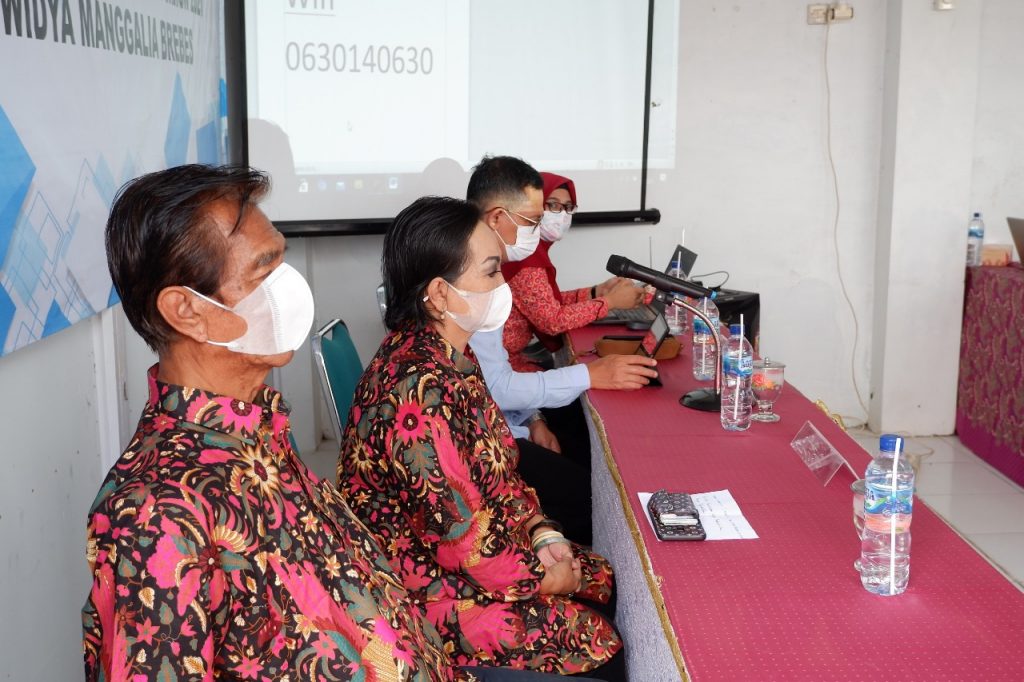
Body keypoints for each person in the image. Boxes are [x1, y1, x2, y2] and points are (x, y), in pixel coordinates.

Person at [84, 164, 583, 682]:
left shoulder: (257, 433)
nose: (287, 289)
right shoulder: (155, 512)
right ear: (187, 310)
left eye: (282, 262)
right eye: (264, 271)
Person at [337, 196, 626, 680]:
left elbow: (500, 471)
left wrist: (541, 531)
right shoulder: (416, 394)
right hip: (424, 591)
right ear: (440, 293)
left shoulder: (451, 355)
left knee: (600, 580)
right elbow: (462, 541)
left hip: (477, 555)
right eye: (491, 272)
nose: (502, 285)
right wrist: (542, 576)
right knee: (597, 639)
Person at [465, 157, 657, 542]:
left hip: (497, 415)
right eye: (533, 220)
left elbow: (495, 376)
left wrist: (533, 418)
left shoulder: (492, 271)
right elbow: (495, 387)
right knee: (591, 497)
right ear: (497, 217)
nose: (539, 230)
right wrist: (590, 374)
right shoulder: (473, 282)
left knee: (579, 443)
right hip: (475, 439)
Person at [501, 172, 645, 373]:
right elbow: (553, 321)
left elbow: (546, 302)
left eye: (568, 207)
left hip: (512, 357)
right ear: (533, 207)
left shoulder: (530, 250)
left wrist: (596, 292)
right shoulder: (526, 259)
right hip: (503, 367)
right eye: (553, 205)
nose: (561, 214)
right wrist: (610, 302)